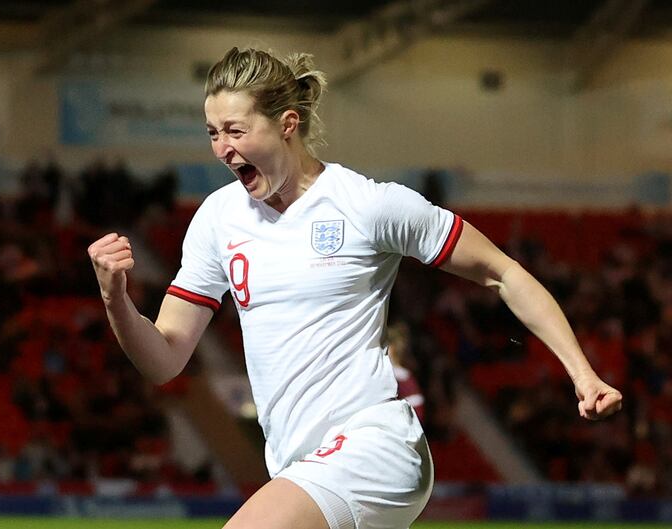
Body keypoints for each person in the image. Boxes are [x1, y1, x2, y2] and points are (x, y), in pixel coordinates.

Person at [88, 47, 623, 529]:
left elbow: (503, 271)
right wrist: (117, 300)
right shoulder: (217, 220)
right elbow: (163, 360)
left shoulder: (367, 205)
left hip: (375, 449)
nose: (222, 149)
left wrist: (582, 373)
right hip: (301, 463)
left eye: (235, 130)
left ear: (287, 124)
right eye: (211, 133)